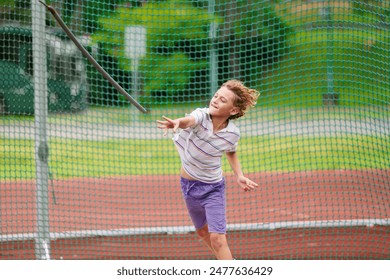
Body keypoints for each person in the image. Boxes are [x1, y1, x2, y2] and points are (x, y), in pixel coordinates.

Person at [156, 80, 260, 260]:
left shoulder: (232, 133)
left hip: (213, 188)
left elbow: (231, 151)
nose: (216, 100)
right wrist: (177, 122)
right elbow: (188, 121)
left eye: (223, 100)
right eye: (216, 96)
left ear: (233, 110)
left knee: (218, 239)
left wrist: (239, 175)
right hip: (188, 186)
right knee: (203, 233)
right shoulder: (201, 116)